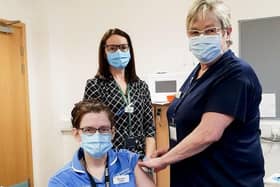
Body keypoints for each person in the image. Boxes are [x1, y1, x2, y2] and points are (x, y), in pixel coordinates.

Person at [139, 0, 265, 186]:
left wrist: (164, 161)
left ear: (227, 32)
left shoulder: (236, 74)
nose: (201, 37)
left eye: (210, 30)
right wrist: (169, 150)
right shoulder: (198, 72)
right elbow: (191, 126)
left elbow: (208, 133)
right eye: (195, 32)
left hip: (227, 180)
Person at [83, 28, 155, 160]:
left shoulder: (141, 86)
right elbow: (91, 129)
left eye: (123, 47)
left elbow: (149, 128)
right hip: (109, 158)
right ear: (104, 52)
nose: (118, 52)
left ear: (130, 51)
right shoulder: (95, 85)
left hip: (139, 159)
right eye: (112, 48)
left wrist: (148, 159)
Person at [48, 100, 155, 187]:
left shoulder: (128, 161)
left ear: (112, 133)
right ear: (77, 134)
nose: (97, 135)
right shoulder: (61, 181)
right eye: (89, 130)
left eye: (104, 129)